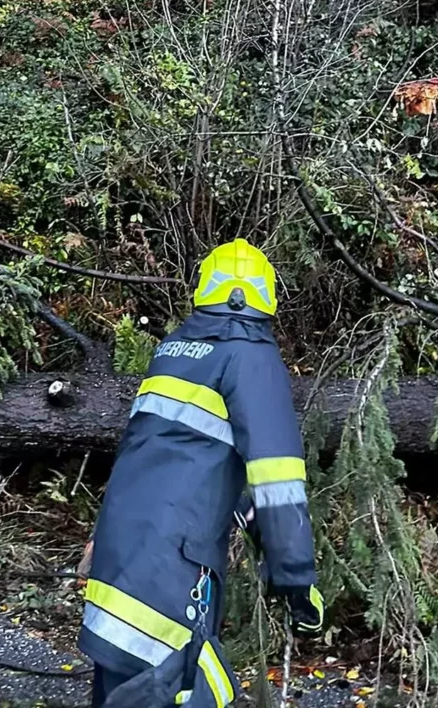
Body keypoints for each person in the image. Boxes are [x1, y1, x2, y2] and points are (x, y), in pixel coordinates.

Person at [78, 239, 323, 707]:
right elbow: (278, 479)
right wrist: (296, 580)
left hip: (123, 550)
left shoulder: (174, 350)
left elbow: (185, 459)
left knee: (120, 684)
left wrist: (251, 525)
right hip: (173, 567)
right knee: (186, 689)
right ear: (265, 296)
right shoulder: (251, 357)